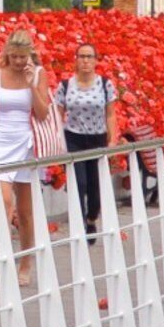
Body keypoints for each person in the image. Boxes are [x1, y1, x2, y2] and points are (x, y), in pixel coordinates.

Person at [0, 28, 63, 260]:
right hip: (0, 141)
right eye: (15, 57)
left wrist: (31, 83)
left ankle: (25, 263)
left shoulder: (39, 74)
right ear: (7, 53)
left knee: (26, 213)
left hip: (27, 143)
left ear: (30, 54)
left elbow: (42, 114)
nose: (19, 62)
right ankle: (6, 260)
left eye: (23, 57)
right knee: (4, 204)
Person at [54, 39, 118, 238]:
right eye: (81, 56)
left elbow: (110, 114)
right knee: (79, 183)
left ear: (96, 60)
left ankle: (91, 218)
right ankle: (80, 225)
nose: (85, 61)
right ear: (76, 60)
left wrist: (112, 139)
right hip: (74, 139)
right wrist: (58, 141)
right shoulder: (66, 85)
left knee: (95, 187)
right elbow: (58, 114)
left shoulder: (105, 85)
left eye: (89, 57)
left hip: (97, 139)